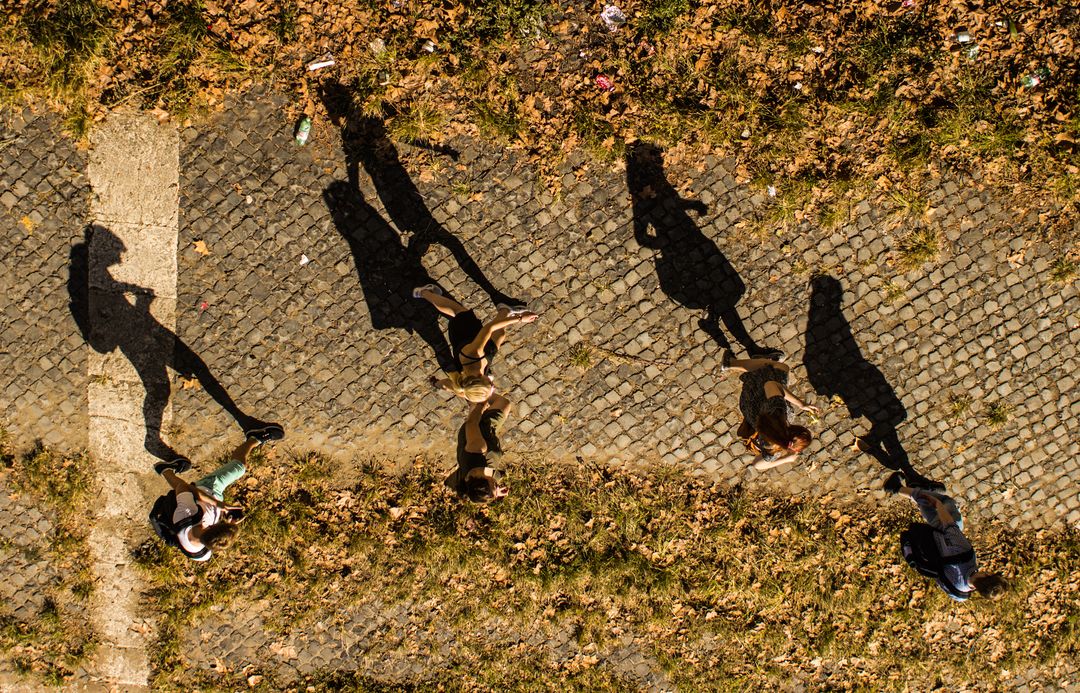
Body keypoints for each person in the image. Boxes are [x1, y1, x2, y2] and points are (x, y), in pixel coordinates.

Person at [150, 425, 283, 561]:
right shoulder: (201, 554)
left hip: (209, 487)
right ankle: (164, 469)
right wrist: (229, 524)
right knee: (184, 493)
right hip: (208, 499)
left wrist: (219, 504)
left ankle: (255, 437)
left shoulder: (187, 516)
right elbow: (215, 536)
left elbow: (183, 487)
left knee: (239, 467)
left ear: (212, 526)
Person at [887, 473, 1007, 601]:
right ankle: (920, 490)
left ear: (987, 575)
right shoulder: (960, 595)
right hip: (929, 550)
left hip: (938, 535)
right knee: (938, 513)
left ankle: (896, 488)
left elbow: (950, 527)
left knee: (945, 503)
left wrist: (938, 505)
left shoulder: (967, 556)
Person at [413, 284, 537, 402]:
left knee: (456, 310)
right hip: (481, 352)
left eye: (490, 385)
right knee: (500, 335)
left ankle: (424, 292)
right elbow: (446, 386)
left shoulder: (475, 354)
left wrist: (520, 318)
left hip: (464, 332)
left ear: (479, 379)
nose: (493, 386)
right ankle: (505, 309)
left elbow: (489, 328)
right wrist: (436, 383)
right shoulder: (465, 388)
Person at [725, 352, 817, 470]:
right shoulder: (773, 447)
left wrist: (801, 404)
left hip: (755, 392)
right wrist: (787, 459)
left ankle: (731, 363)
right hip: (747, 407)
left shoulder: (778, 411)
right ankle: (761, 361)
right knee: (779, 373)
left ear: (794, 427)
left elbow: (771, 385)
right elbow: (757, 465)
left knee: (780, 367)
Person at [445, 397, 511, 503]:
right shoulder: (471, 480)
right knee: (474, 414)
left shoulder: (478, 450)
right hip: (484, 439)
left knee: (504, 403)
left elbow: (471, 423)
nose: (498, 484)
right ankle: (473, 405)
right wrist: (496, 492)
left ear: (483, 481)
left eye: (495, 485)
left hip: (482, 428)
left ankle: (477, 396)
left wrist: (482, 404)